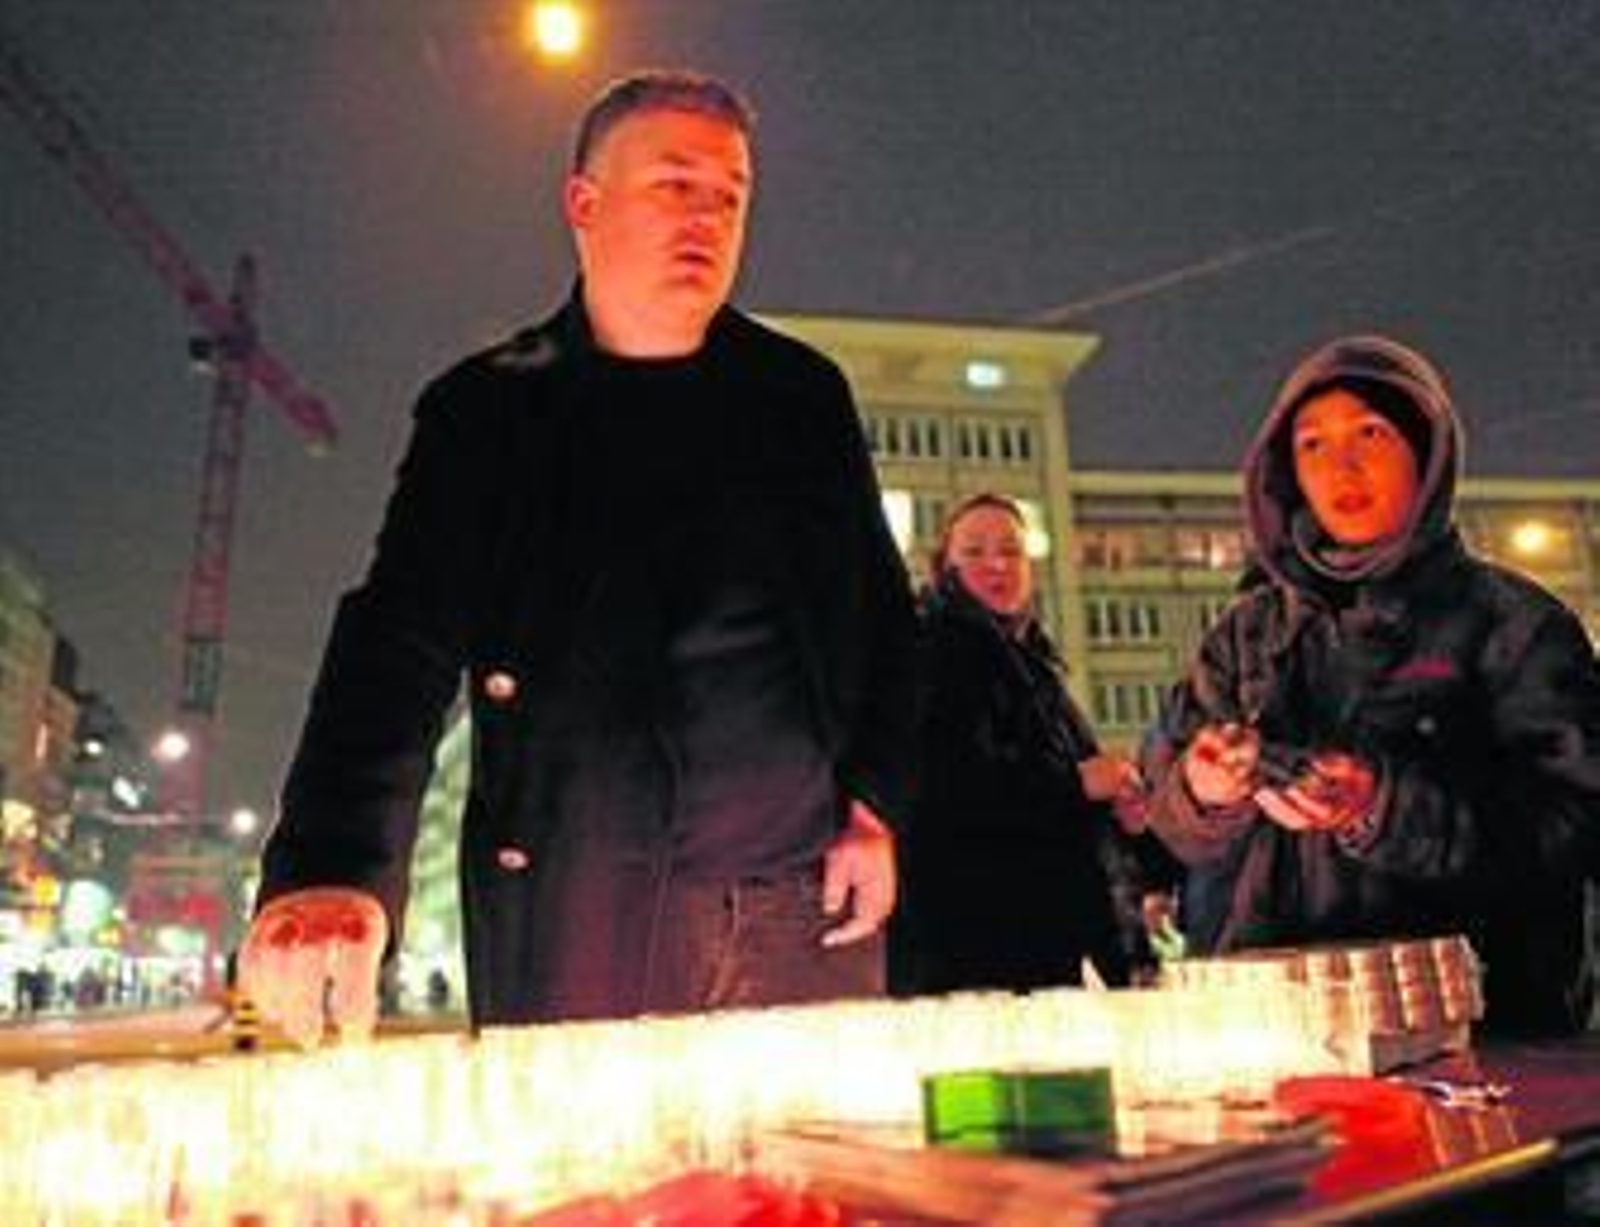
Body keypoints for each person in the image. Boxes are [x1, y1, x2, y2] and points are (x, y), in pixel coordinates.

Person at [239, 70, 917, 1045]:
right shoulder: (487, 414)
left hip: (801, 913)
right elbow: (397, 646)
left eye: (730, 196)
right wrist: (331, 868)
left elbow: (884, 623)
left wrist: (874, 807)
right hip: (584, 912)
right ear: (584, 204)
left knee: (819, 1147)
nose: (707, 217)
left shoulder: (800, 398)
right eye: (674, 184)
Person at [1141, 334, 1600, 1035]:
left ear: (1427, 451)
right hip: (1273, 1026)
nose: (1341, 466)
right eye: (1312, 444)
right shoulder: (1246, 632)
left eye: (1371, 433)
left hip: (1475, 1029)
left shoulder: (1514, 624)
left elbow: (1572, 827)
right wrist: (1204, 791)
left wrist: (1380, 805)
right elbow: (1165, 815)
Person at [889, 493, 1155, 995]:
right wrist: (1078, 783)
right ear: (943, 567)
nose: (997, 564)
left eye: (1011, 551)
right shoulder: (935, 653)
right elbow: (945, 790)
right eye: (974, 551)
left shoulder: (1035, 666)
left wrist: (1123, 811)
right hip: (977, 956)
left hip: (1047, 951)